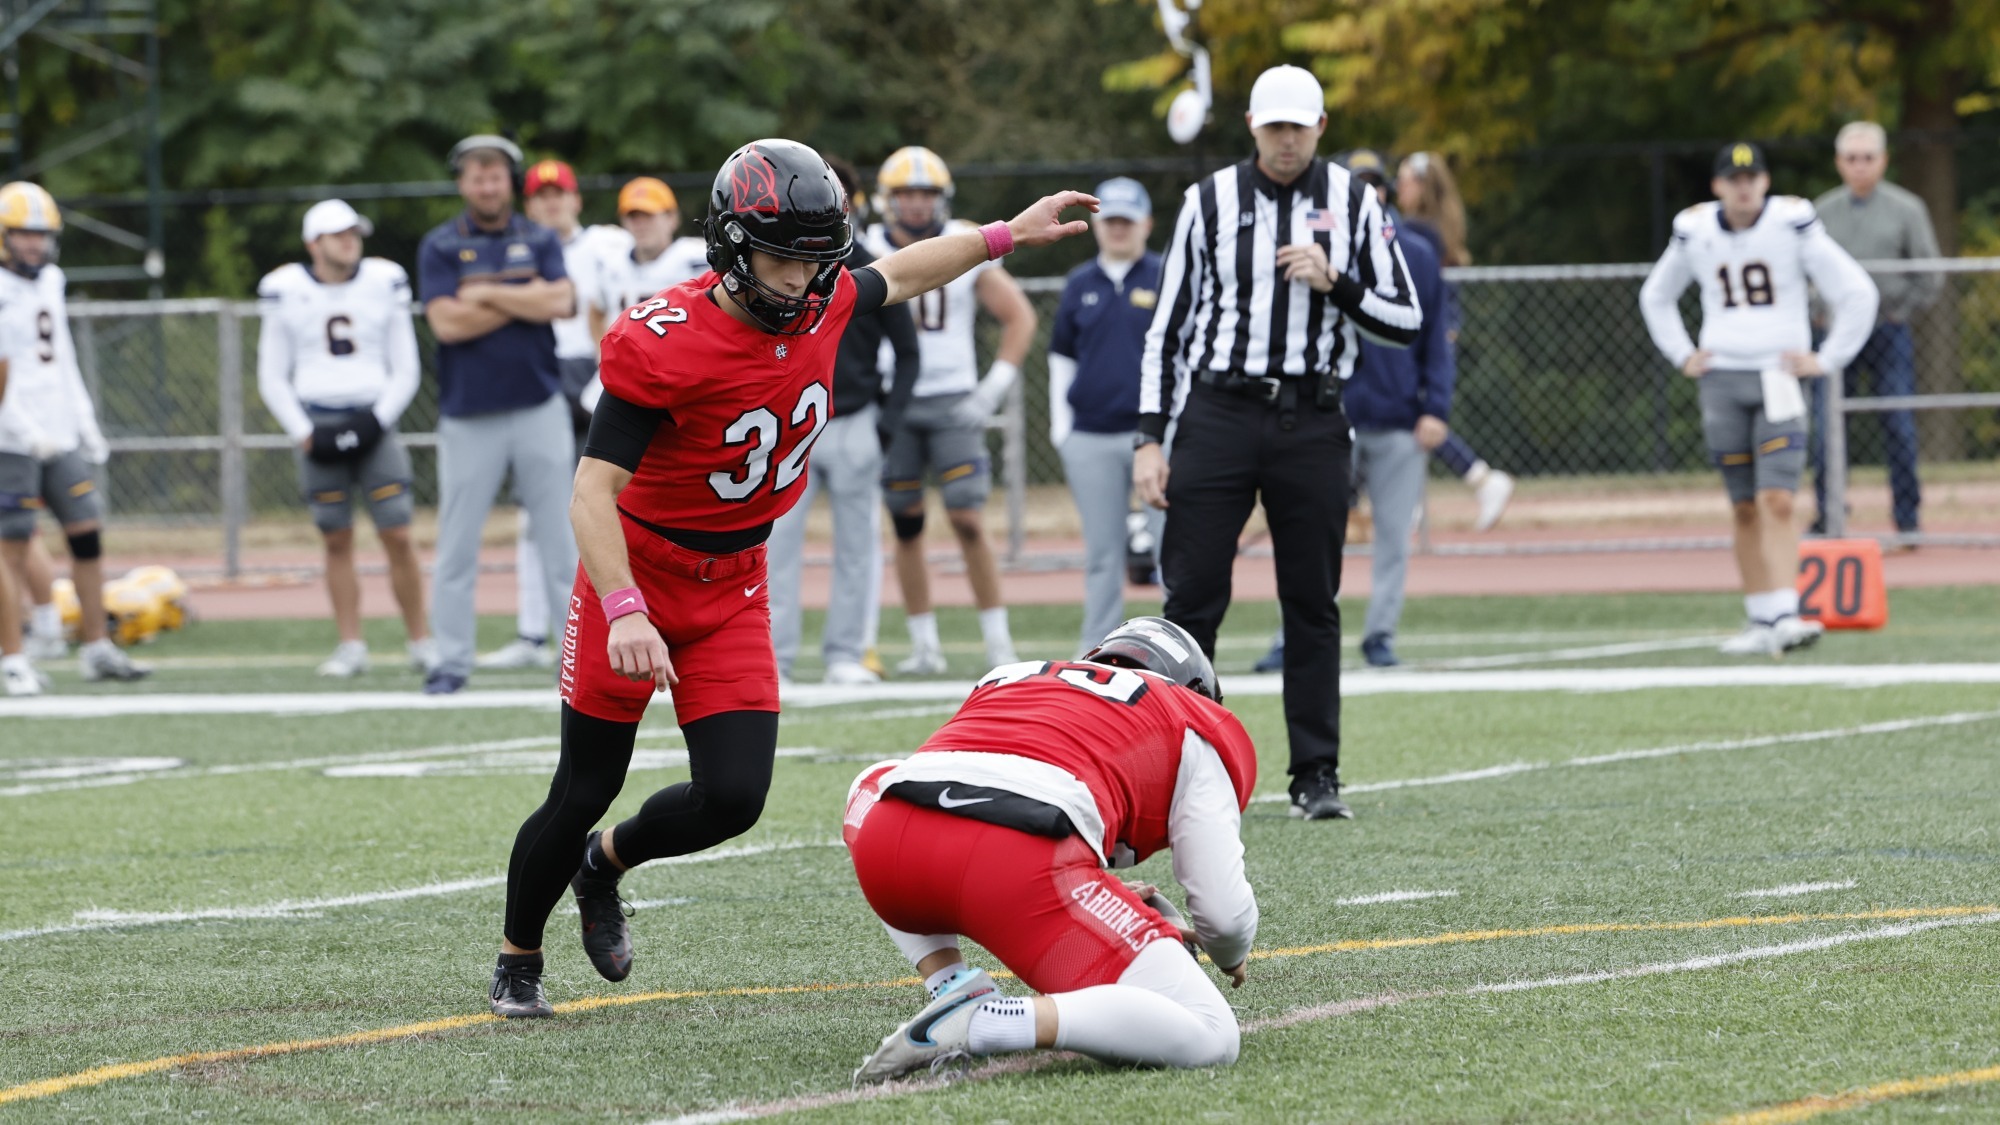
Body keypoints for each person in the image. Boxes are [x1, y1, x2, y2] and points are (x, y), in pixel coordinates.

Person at [486, 138, 1095, 1019]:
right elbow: (590, 491)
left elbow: (906, 271)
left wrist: (1005, 235)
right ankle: (518, 954)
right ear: (731, 247)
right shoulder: (664, 339)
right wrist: (623, 607)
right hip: (639, 572)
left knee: (733, 797)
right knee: (583, 784)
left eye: (818, 263)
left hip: (734, 581)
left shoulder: (823, 296)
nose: (805, 283)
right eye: (782, 260)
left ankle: (604, 861)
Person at [1135, 66, 1420, 821]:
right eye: (1274, 127)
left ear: (1321, 127)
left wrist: (1340, 284)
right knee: (1191, 596)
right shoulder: (1208, 202)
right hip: (1219, 411)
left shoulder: (1356, 201)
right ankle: (1174, 773)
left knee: (1311, 600)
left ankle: (1315, 773)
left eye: (1299, 126)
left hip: (1313, 416)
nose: (1286, 140)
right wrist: (1148, 437)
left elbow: (1406, 318)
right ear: (1254, 129)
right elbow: (1166, 328)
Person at [845, 616, 1254, 1081]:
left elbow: (875, 782)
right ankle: (986, 1023)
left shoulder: (1011, 675)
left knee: (877, 780)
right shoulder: (1188, 717)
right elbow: (1222, 914)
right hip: (1016, 866)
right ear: (1197, 689)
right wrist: (1228, 950)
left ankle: (950, 985)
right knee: (1213, 1032)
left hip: (888, 846)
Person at [1639, 142, 1877, 656]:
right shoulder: (1696, 229)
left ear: (1765, 182)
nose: (1744, 186)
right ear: (1718, 185)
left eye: (1752, 177)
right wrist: (1683, 352)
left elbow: (1856, 290)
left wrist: (1828, 357)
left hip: (1778, 375)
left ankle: (1788, 610)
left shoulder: (1791, 223)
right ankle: (1760, 616)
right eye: (1733, 178)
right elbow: (1656, 295)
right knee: (1743, 505)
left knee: (1779, 497)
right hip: (1722, 377)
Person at [863, 146, 1037, 675]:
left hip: (953, 400)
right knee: (907, 523)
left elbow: (1019, 317)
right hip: (893, 400)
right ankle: (924, 645)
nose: (917, 205)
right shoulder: (865, 247)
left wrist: (992, 388)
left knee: (966, 516)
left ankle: (998, 641)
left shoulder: (966, 239)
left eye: (926, 194)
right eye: (907, 194)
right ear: (887, 201)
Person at [416, 135, 580, 695]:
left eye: (495, 174)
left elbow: (560, 302)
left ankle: (576, 660)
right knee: (457, 545)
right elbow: (447, 325)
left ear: (509, 181)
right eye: (475, 175)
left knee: (564, 538)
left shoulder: (537, 236)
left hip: (539, 405)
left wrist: (484, 290)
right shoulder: (440, 244)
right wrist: (521, 295)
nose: (486, 185)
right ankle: (452, 660)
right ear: (463, 183)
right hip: (469, 415)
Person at [256, 199, 432, 677]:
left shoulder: (383, 280)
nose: (350, 241)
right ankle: (351, 644)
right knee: (335, 537)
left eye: (354, 232)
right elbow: (272, 375)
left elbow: (405, 365)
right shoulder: (284, 288)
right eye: (338, 234)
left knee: (397, 532)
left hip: (375, 420)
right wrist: (303, 431)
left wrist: (378, 419)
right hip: (318, 422)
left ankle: (421, 640)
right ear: (314, 243)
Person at [767, 157, 921, 685]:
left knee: (857, 546)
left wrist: (887, 423)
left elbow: (908, 352)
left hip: (854, 420)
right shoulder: (772, 260)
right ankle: (774, 658)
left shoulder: (872, 265)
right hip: (787, 427)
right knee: (774, 545)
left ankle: (846, 654)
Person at [0, 180, 150, 686]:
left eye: (41, 235)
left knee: (86, 533)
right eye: (23, 234)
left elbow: (60, 353)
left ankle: (96, 646)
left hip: (57, 430)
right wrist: (23, 427)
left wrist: (83, 417)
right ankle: (14, 658)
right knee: (12, 545)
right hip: (11, 436)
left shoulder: (50, 281)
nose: (35, 245)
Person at [480, 159, 619, 672]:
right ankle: (533, 631)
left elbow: (623, 302)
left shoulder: (605, 245)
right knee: (535, 517)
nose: (550, 203)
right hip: (536, 377)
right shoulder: (516, 247)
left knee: (606, 506)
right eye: (540, 196)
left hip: (595, 375)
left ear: (576, 198)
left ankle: (598, 621)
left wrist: (603, 378)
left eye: (559, 193)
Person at [1335, 151, 1455, 668]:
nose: (1367, 195)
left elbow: (1437, 340)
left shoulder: (1416, 254)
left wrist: (1436, 406)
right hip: (1329, 418)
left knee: (1392, 538)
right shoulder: (1318, 251)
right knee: (1309, 537)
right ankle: (1290, 636)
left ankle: (1380, 634)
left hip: (1398, 417)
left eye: (1374, 185)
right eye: (1355, 186)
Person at [1047, 177, 1165, 655]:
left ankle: (1180, 649)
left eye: (1127, 221)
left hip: (1152, 437)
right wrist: (1062, 429)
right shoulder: (1079, 283)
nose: (1118, 230)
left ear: (1146, 224)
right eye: (1110, 220)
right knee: (1102, 554)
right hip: (1091, 435)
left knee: (1170, 552)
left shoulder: (1165, 276)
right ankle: (1097, 652)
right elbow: (1062, 357)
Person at [1809, 121, 1942, 543]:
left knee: (1898, 423)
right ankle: (1829, 515)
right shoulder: (1820, 212)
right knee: (1826, 426)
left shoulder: (1907, 209)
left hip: (1888, 330)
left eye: (1868, 158)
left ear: (1883, 160)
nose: (1860, 166)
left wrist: (1900, 309)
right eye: (1852, 158)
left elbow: (1929, 274)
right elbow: (1803, 272)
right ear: (1839, 163)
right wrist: (1817, 312)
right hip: (1836, 334)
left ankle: (1907, 518)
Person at [1396, 150, 1514, 532]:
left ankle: (1479, 479)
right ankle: (1423, 498)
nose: (1398, 188)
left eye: (1405, 181)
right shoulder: (1436, 228)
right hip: (1430, 331)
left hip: (1423, 334)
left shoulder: (1418, 231)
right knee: (1412, 416)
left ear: (1422, 187)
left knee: (1415, 415)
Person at [589, 176, 710, 332]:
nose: (641, 224)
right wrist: (601, 352)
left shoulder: (695, 258)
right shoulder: (612, 264)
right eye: (633, 217)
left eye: (648, 216)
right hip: (629, 354)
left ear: (672, 218)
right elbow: (595, 311)